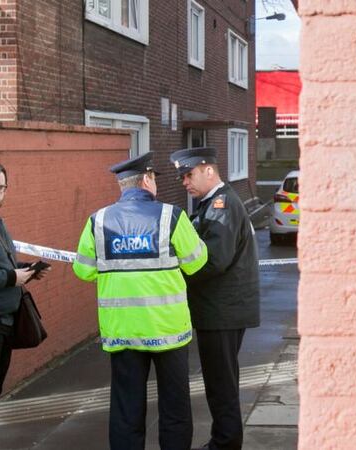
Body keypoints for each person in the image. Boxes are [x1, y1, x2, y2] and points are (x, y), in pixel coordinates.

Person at [72, 153, 208, 450]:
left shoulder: (98, 221)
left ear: (123, 186)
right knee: (175, 408)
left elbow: (83, 270)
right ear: (147, 179)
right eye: (155, 178)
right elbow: (196, 262)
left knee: (126, 410)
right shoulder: (171, 217)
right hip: (168, 332)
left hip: (123, 332)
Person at [169, 147, 260, 450]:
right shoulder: (213, 204)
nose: (185, 182)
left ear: (209, 170)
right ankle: (224, 441)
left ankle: (225, 444)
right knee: (221, 382)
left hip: (222, 311)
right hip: (221, 310)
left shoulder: (221, 205)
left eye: (189, 174)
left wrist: (175, 272)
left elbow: (213, 260)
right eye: (182, 176)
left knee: (221, 385)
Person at [0, 163, 50, 395]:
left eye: (1, 187)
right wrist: (12, 277)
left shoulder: (0, 224)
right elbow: (6, 274)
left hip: (7, 322)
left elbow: (6, 266)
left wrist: (27, 270)